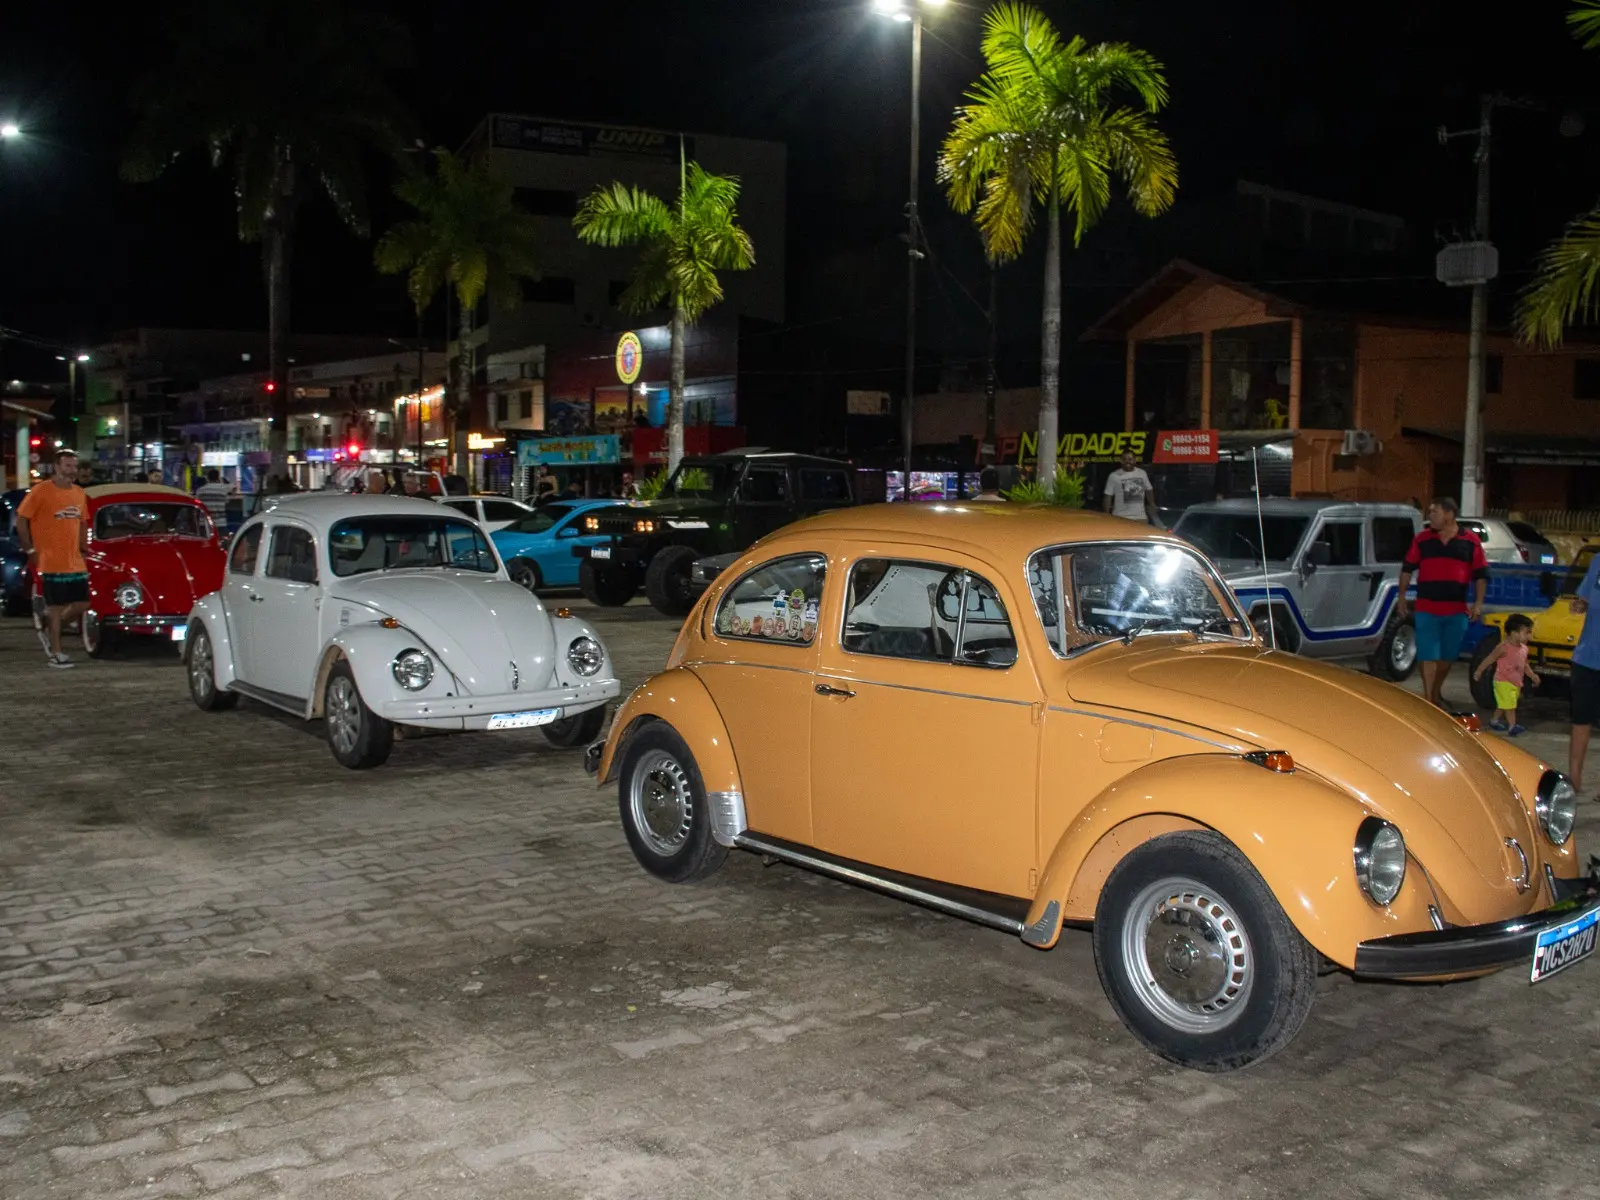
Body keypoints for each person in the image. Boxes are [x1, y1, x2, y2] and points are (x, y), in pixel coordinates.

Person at [1396, 497, 1488, 708]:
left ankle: (1435, 693)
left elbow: (1481, 574)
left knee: (1447, 657)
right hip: (1426, 608)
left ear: (1449, 514)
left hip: (1456, 610)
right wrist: (1402, 596)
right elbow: (1408, 567)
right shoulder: (1422, 539)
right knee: (1428, 655)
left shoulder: (1471, 541)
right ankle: (1429, 700)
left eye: (1434, 512)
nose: (1430, 517)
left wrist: (1478, 603)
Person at [16, 450, 92, 668]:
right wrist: (30, 550)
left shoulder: (79, 492)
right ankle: (56, 653)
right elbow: (21, 521)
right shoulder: (41, 491)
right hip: (51, 560)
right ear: (56, 467)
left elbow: (83, 521)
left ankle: (51, 628)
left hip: (75, 560)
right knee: (56, 607)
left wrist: (83, 546)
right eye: (67, 466)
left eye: (74, 466)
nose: (72, 470)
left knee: (82, 603)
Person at [1566, 547, 1600, 794]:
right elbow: (1585, 599)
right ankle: (1574, 779)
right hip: (1587, 658)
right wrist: (1579, 605)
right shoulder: (1598, 561)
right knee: (1581, 720)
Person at [1472, 614, 1540, 735]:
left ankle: (1494, 720)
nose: (1530, 635)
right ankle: (1512, 726)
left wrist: (1532, 675)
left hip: (1516, 682)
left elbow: (1524, 664)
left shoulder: (1524, 648)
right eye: (1527, 632)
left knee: (1504, 704)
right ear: (1514, 633)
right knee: (1510, 706)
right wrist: (1479, 671)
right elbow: (1490, 659)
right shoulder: (1503, 647)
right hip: (1503, 681)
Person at [1103, 450, 1156, 523]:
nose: (1127, 461)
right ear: (1121, 461)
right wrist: (1106, 515)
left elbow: (1149, 489)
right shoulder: (1114, 476)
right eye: (1124, 459)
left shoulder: (1142, 473)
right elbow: (1108, 496)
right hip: (1119, 517)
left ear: (1135, 460)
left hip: (1140, 517)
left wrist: (1152, 503)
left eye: (1130, 459)